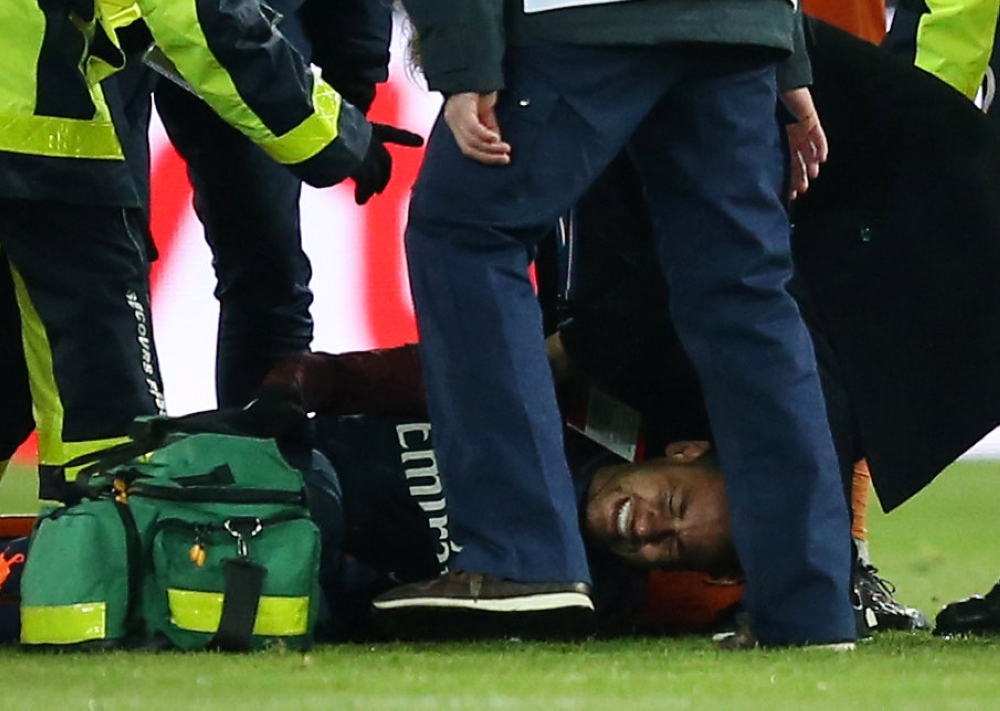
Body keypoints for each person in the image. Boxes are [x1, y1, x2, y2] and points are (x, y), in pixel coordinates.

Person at [383, 0, 858, 648]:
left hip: (577, 18)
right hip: (740, 26)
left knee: (465, 235)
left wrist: (464, 62)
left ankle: (522, 557)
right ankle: (807, 609)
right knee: (746, 297)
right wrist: (785, 48)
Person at [0, 0, 421, 500]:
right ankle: (124, 535)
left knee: (16, 354)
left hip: (40, 98)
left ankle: (254, 489)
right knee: (103, 401)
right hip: (43, 132)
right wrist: (339, 132)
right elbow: (196, 17)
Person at [154, 0, 395, 408]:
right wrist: (354, 79)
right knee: (267, 280)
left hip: (109, 37)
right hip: (235, 29)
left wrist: (353, 85)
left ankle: (261, 438)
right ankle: (264, 441)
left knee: (265, 279)